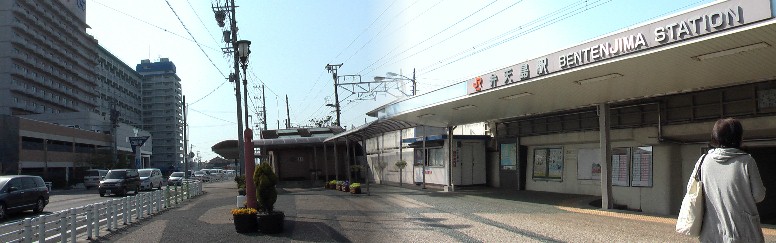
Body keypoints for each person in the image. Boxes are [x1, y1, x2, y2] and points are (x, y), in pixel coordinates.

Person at [698, 118, 766, 242]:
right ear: (739, 137)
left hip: (711, 232)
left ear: (715, 136)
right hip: (742, 232)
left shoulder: (704, 161)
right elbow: (759, 195)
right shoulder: (746, 161)